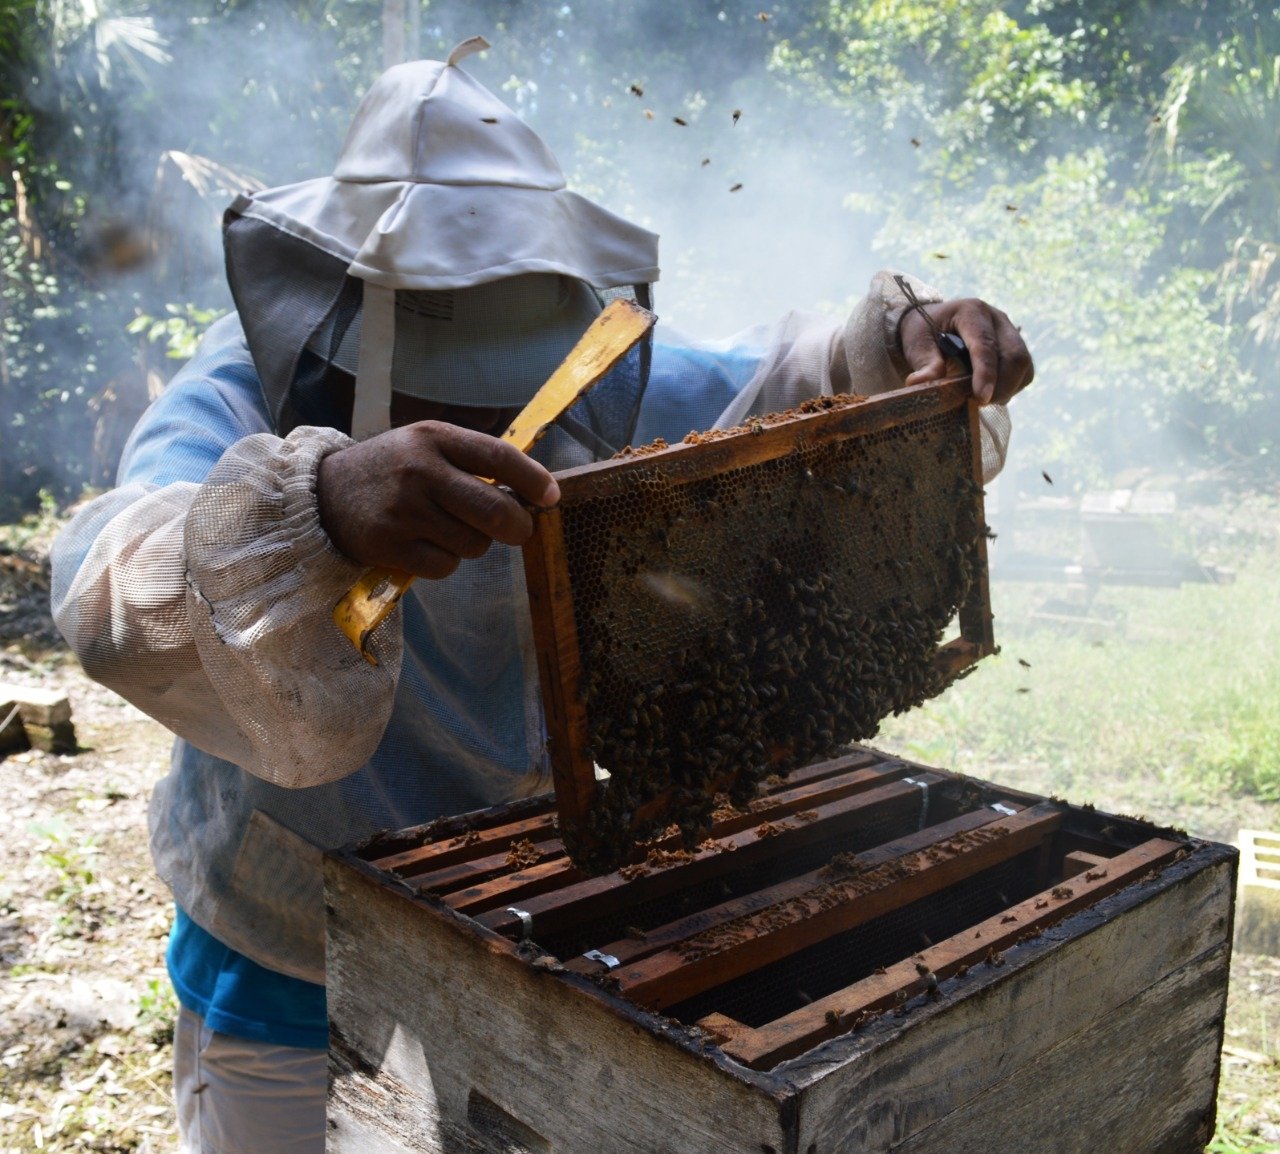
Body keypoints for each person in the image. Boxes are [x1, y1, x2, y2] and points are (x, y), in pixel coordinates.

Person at [50, 38, 1033, 1154]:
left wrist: (892, 339)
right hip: (283, 960)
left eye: (517, 363)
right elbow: (101, 577)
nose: (504, 413)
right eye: (456, 364)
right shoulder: (239, 391)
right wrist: (313, 505)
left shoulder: (582, 381)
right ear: (355, 307)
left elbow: (776, 381)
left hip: (517, 922)